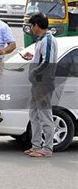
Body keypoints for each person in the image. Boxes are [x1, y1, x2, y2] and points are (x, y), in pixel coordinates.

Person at [21, 13, 58, 158]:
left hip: (43, 83)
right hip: (38, 83)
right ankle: (36, 145)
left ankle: (47, 148)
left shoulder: (48, 40)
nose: (31, 29)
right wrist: (32, 58)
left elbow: (47, 62)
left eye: (31, 26)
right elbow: (42, 58)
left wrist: (34, 72)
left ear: (36, 25)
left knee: (45, 115)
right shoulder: (41, 40)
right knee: (34, 114)